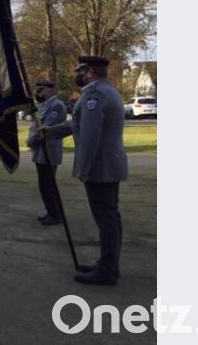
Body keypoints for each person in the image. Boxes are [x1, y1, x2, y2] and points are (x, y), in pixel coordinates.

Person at [43, 56, 128, 286]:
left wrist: (83, 167)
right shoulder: (107, 90)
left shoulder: (94, 95)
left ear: (89, 72)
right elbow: (79, 124)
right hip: (108, 163)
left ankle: (107, 270)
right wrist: (53, 131)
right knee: (110, 216)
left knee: (106, 218)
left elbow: (91, 134)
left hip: (100, 165)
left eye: (80, 71)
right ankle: (108, 264)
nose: (77, 75)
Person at [26, 81, 67, 226]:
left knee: (47, 185)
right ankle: (51, 212)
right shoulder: (44, 105)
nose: (38, 93)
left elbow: (45, 129)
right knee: (44, 185)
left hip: (48, 150)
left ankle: (55, 215)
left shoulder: (57, 106)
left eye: (40, 90)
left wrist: (31, 141)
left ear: (49, 90)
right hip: (41, 150)